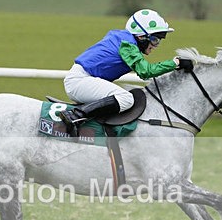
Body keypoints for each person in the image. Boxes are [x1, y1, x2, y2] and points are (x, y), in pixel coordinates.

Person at [58, 8, 193, 134]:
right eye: (154, 39)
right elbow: (146, 72)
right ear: (141, 36)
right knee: (126, 99)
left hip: (83, 80)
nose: (156, 45)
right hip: (80, 81)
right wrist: (175, 63)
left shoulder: (124, 38)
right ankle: (76, 116)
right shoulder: (127, 46)